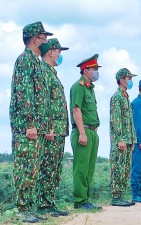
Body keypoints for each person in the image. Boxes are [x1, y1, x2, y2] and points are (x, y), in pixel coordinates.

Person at [9, 21, 53, 223]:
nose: (46, 42)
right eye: (44, 38)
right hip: (27, 127)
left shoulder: (36, 62)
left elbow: (41, 98)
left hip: (37, 127)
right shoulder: (25, 60)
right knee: (25, 167)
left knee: (33, 168)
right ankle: (22, 208)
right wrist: (29, 123)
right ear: (35, 39)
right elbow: (24, 94)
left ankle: (29, 206)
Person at [36, 38, 69, 217]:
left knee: (55, 168)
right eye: (59, 52)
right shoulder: (43, 72)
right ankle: (43, 204)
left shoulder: (52, 73)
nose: (60, 55)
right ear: (51, 52)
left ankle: (49, 202)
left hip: (58, 129)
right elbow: (44, 102)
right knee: (47, 167)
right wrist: (47, 127)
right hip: (51, 130)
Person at [70, 54, 102, 209]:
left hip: (92, 131)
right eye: (94, 69)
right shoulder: (79, 86)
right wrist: (82, 133)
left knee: (89, 168)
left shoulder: (90, 88)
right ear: (85, 70)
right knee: (81, 167)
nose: (96, 72)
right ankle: (79, 200)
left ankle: (85, 199)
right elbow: (76, 109)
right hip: (83, 131)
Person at [110, 68, 137, 207]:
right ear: (121, 80)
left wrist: (132, 140)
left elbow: (130, 121)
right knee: (118, 168)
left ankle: (121, 195)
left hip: (128, 140)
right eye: (129, 78)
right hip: (120, 141)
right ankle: (116, 197)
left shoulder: (126, 97)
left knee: (126, 169)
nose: (131, 81)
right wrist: (120, 138)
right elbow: (116, 119)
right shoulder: (117, 97)